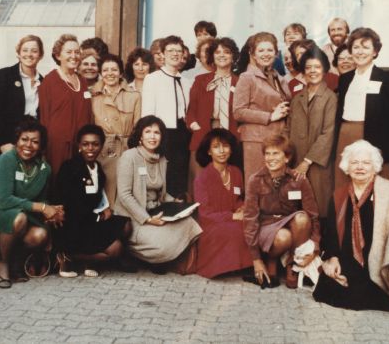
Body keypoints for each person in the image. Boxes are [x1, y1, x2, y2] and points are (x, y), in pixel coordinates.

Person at [313, 140, 389, 311]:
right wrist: (333, 259)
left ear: (374, 166)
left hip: (381, 257)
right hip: (348, 258)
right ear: (347, 166)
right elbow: (331, 233)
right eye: (354, 162)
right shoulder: (339, 195)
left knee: (366, 290)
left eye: (366, 163)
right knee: (324, 287)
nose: (360, 167)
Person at [0, 118, 63, 288]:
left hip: (20, 217)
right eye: (24, 139)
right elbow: (4, 200)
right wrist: (43, 208)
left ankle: (16, 262)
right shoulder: (6, 160)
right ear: (17, 140)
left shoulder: (44, 168)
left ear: (41, 145)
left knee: (40, 235)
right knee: (19, 218)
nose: (28, 145)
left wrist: (52, 215)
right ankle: (1, 264)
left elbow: (42, 200)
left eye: (35, 141)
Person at [114, 116, 202, 272]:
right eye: (147, 132)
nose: (152, 136)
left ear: (162, 137)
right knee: (162, 243)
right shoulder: (129, 157)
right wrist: (147, 219)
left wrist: (174, 201)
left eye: (157, 132)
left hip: (156, 211)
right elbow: (124, 195)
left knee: (189, 223)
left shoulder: (161, 159)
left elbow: (160, 193)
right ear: (140, 136)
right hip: (133, 217)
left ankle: (156, 258)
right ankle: (139, 255)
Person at [243, 134, 320, 288]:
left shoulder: (299, 180)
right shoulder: (255, 180)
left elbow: (313, 215)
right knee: (283, 237)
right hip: (267, 227)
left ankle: (292, 263)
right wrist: (256, 259)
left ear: (287, 158)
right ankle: (271, 260)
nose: (270, 158)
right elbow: (250, 219)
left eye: (276, 153)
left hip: (290, 224)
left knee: (302, 218)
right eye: (267, 153)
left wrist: (315, 246)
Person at [334, 27, 389, 190]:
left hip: (374, 139)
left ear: (375, 51)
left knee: (374, 186)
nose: (360, 52)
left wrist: (386, 151)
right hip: (345, 136)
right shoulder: (345, 79)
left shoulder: (387, 79)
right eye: (356, 47)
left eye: (365, 47)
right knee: (344, 184)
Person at [55, 125, 133, 278]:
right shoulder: (69, 167)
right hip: (73, 225)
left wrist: (104, 210)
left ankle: (87, 261)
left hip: (90, 223)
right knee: (115, 249)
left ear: (101, 146)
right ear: (79, 145)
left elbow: (96, 199)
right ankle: (66, 257)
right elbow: (71, 206)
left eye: (95, 144)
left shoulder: (98, 169)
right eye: (85, 144)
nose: (90, 148)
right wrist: (100, 216)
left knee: (126, 225)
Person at [233, 32, 291, 184]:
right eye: (261, 50)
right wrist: (270, 116)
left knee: (276, 185)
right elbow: (238, 112)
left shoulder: (278, 77)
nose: (266, 54)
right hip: (256, 141)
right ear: (253, 54)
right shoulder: (247, 77)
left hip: (277, 139)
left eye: (270, 50)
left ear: (276, 52)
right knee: (258, 185)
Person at [194, 129, 252, 278]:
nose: (221, 151)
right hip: (211, 225)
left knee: (251, 225)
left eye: (225, 146)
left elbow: (238, 199)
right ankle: (225, 266)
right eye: (216, 146)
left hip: (233, 219)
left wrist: (242, 208)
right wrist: (232, 216)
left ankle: (245, 265)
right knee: (233, 229)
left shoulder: (236, 172)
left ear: (231, 149)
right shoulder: (202, 179)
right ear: (208, 152)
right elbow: (204, 214)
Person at [287, 47, 337, 218]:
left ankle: (319, 244)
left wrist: (307, 161)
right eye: (308, 67)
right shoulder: (297, 98)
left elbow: (328, 133)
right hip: (295, 161)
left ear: (324, 69)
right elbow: (288, 129)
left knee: (319, 204)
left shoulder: (330, 98)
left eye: (317, 67)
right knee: (295, 204)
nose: (312, 71)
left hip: (316, 163)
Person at [186, 37, 240, 196]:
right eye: (217, 52)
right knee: (201, 185)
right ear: (212, 56)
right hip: (204, 136)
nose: (222, 55)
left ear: (233, 56)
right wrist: (196, 127)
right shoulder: (201, 80)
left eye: (227, 52)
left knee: (227, 185)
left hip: (230, 137)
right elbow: (191, 111)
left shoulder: (240, 82)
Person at [141, 36, 192, 199]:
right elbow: (147, 113)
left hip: (183, 132)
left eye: (179, 51)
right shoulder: (152, 79)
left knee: (180, 175)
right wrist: (150, 136)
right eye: (171, 51)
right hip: (163, 133)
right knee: (163, 175)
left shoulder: (187, 81)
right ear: (162, 54)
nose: (175, 54)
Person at [39, 34, 93, 185]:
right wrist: (44, 150)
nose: (74, 56)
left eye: (77, 52)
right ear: (58, 55)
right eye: (69, 52)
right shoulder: (49, 81)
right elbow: (44, 117)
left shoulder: (82, 81)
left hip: (80, 145)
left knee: (79, 184)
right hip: (57, 147)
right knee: (58, 183)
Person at [91, 54, 141, 208]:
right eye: (105, 70)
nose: (110, 73)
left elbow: (138, 127)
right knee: (104, 194)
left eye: (114, 69)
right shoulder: (92, 96)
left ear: (121, 73)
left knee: (125, 193)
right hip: (103, 151)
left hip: (126, 148)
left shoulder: (134, 96)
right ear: (100, 73)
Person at [0, 35, 44, 156]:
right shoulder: (5, 75)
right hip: (9, 143)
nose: (29, 54)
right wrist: (2, 142)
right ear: (18, 53)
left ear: (40, 55)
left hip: (33, 145)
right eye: (25, 50)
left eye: (34, 51)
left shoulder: (43, 82)